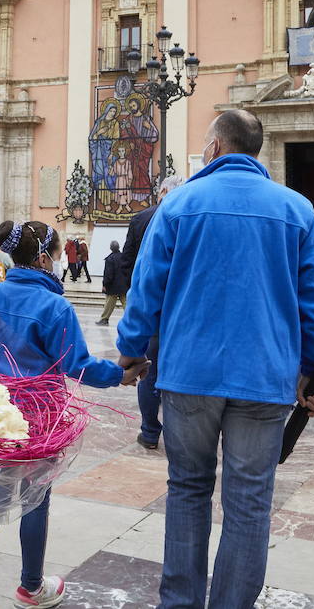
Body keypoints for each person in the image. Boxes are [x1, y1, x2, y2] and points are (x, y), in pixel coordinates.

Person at [118, 110, 314, 608]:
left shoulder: (179, 205)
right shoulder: (297, 210)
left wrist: (132, 352)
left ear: (215, 148)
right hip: (265, 377)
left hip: (189, 375)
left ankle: (180, 602)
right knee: (249, 502)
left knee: (188, 488)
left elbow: (145, 289)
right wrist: (313, 365)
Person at [0, 220, 146, 608]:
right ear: (45, 258)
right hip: (39, 416)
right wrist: (120, 374)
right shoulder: (54, 306)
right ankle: (30, 586)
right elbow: (77, 365)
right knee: (36, 498)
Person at [124, 174, 185, 450]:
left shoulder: (141, 218)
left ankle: (149, 432)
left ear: (161, 190)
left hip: (152, 314)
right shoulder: (189, 214)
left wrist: (133, 315)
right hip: (181, 312)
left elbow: (130, 265)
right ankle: (177, 436)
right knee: (178, 375)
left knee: (148, 373)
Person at [97, 239, 129, 326]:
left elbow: (108, 274)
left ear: (111, 248)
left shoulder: (110, 259)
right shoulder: (124, 257)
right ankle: (131, 319)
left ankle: (104, 319)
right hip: (124, 285)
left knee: (109, 304)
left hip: (113, 286)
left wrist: (105, 284)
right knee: (126, 303)